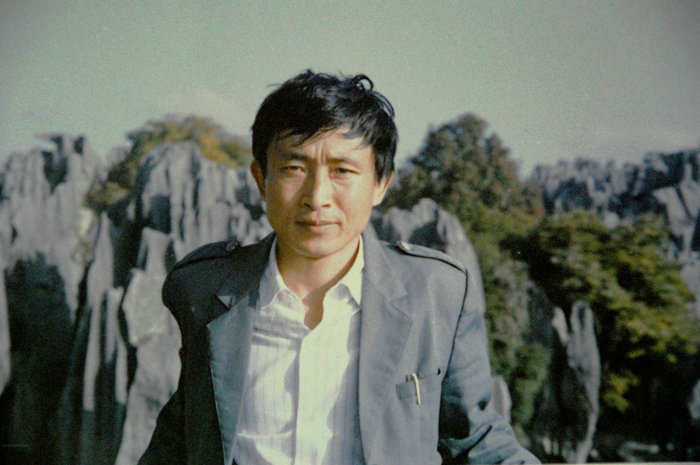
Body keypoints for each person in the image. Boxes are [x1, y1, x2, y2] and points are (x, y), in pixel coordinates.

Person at [138, 70, 539, 465]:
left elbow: (478, 443)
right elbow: (180, 443)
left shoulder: (435, 294)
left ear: (381, 183)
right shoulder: (205, 289)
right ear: (261, 179)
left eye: (342, 171)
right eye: (294, 168)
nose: (317, 197)